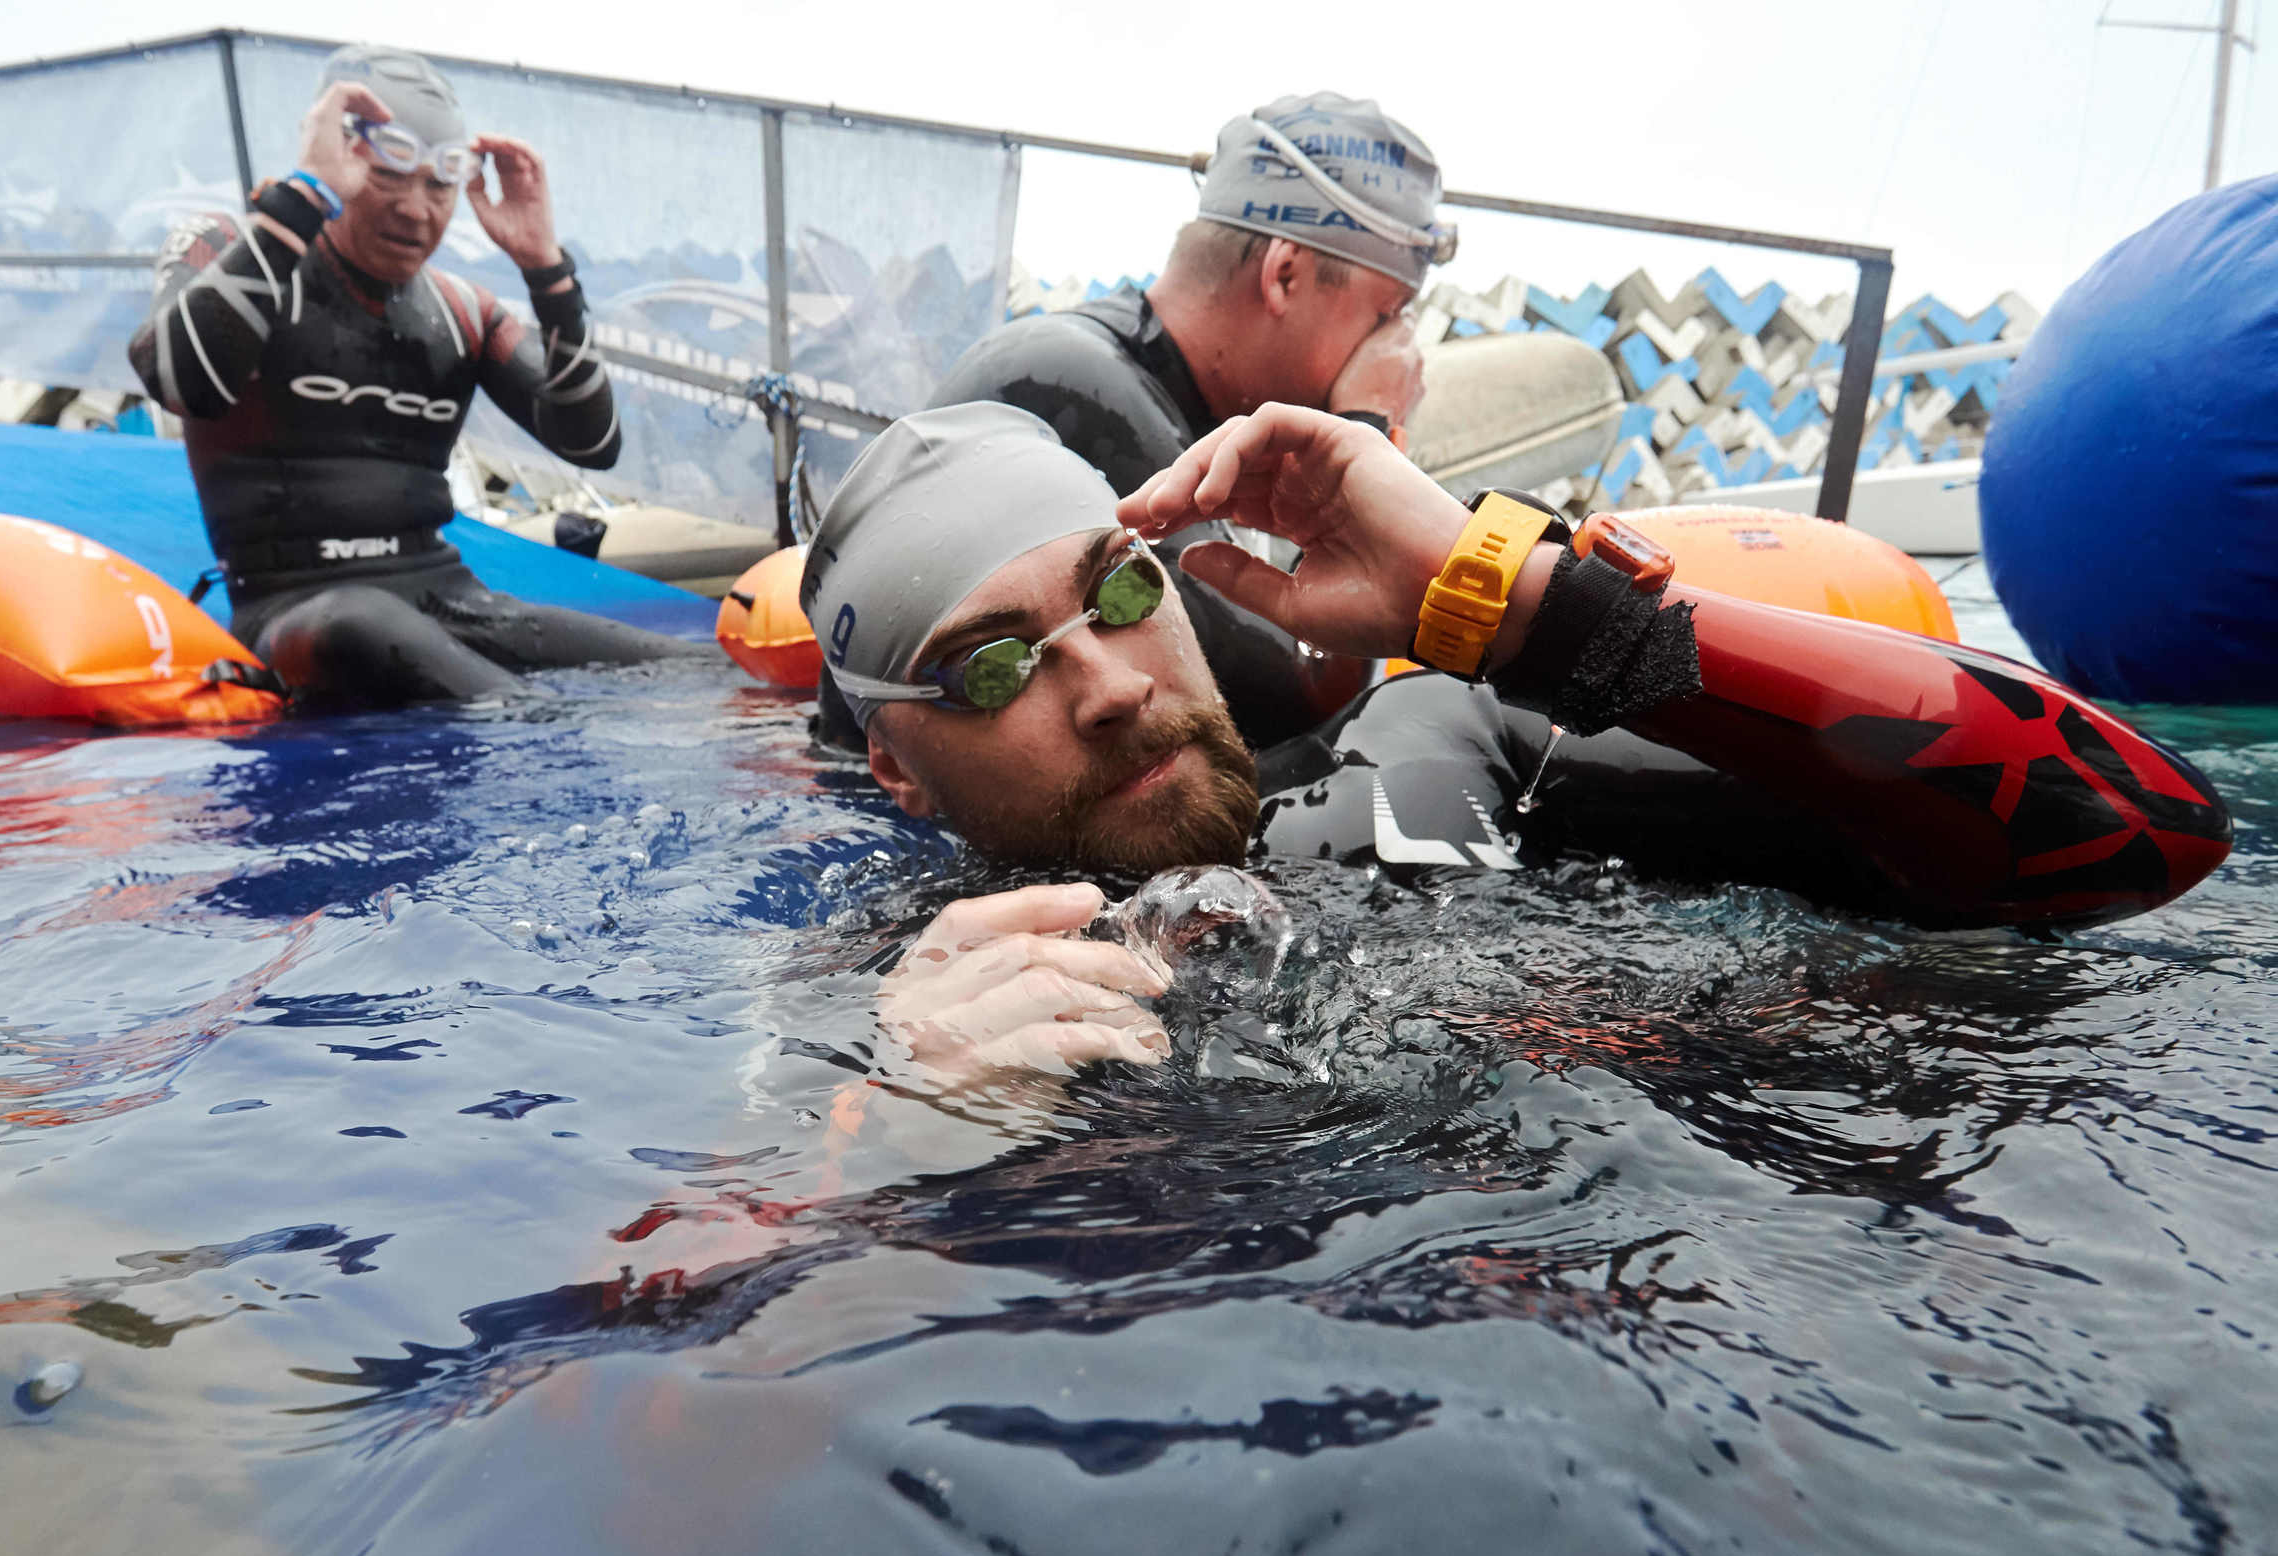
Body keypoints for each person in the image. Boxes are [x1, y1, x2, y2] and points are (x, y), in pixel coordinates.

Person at [800, 402, 2234, 1085]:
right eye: (988, 668)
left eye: (1122, 588)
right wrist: (916, 1146)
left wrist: (1534, 611)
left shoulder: (1447, 740)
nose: (1107, 683)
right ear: (897, 772)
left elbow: (2138, 829)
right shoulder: (874, 1010)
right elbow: (686, 1457)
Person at [129, 44, 697, 709]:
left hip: (449, 599)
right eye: (388, 173)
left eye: (438, 184)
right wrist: (303, 196)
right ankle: (538, 729)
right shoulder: (234, 245)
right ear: (335, 158)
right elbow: (178, 379)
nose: (415, 209)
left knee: (684, 668)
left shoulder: (461, 310)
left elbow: (592, 442)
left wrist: (546, 269)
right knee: (363, 628)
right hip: (295, 610)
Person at [907, 93, 1449, 751]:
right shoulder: (1072, 384)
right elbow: (1296, 704)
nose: (1399, 353)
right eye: (1387, 316)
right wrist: (1367, 426)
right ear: (1283, 275)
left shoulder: (1125, 375)